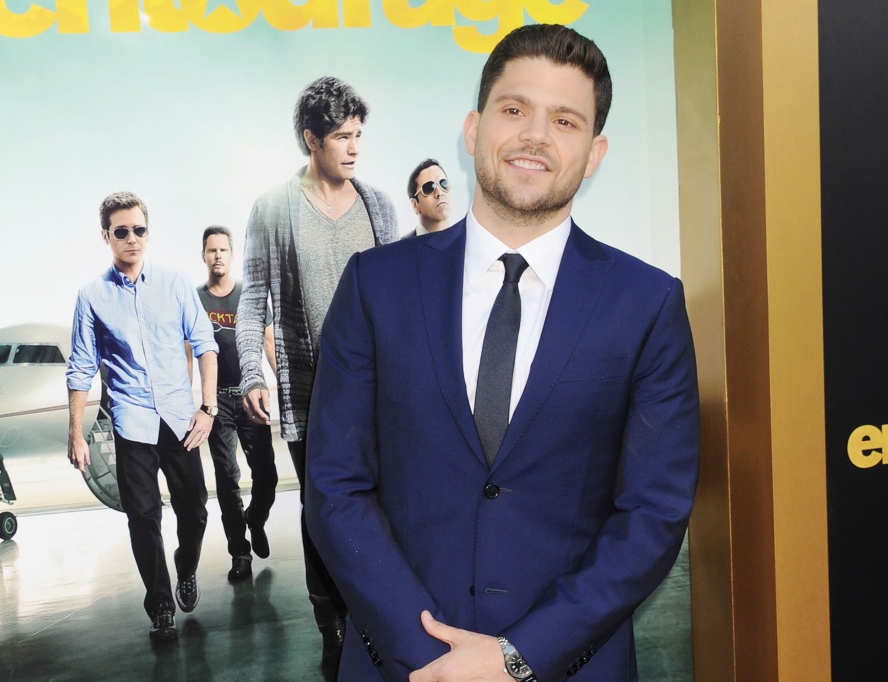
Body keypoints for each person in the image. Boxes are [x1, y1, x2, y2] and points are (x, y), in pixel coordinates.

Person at [304, 24, 700, 682]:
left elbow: (652, 514)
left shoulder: (647, 304)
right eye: (514, 110)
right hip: (402, 667)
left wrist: (518, 657)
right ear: (473, 128)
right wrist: (429, 657)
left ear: (595, 152)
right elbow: (335, 487)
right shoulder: (375, 286)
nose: (536, 137)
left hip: (570, 667)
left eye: (565, 120)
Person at [235, 76, 399, 680]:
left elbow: (400, 299)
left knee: (384, 506)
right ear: (311, 140)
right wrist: (253, 370)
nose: (354, 148)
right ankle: (329, 621)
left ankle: (375, 617)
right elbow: (254, 300)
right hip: (309, 392)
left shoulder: (379, 206)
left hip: (379, 392)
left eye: (359, 135)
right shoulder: (274, 209)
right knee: (323, 511)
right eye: (341, 137)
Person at [66, 191, 217, 643]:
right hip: (130, 423)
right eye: (122, 232)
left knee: (194, 509)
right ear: (106, 237)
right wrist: (76, 433)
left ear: (148, 232)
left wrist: (207, 407)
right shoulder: (91, 296)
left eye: (139, 230)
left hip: (179, 420)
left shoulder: (174, 283)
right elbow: (80, 367)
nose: (132, 239)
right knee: (143, 517)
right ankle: (161, 605)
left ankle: (185, 567)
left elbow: (205, 345)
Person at [197, 225, 278, 583]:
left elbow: (270, 344)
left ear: (232, 255)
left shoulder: (250, 296)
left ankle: (256, 519)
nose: (217, 256)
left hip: (250, 396)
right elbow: (189, 352)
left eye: (223, 251)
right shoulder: (196, 300)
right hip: (218, 404)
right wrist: (197, 403)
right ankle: (239, 553)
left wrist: (285, 385)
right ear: (204, 255)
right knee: (227, 479)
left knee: (267, 474)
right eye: (211, 250)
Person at [403, 158, 454, 237]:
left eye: (444, 183)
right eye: (429, 188)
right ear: (415, 205)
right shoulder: (401, 247)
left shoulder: (468, 240)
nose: (440, 193)